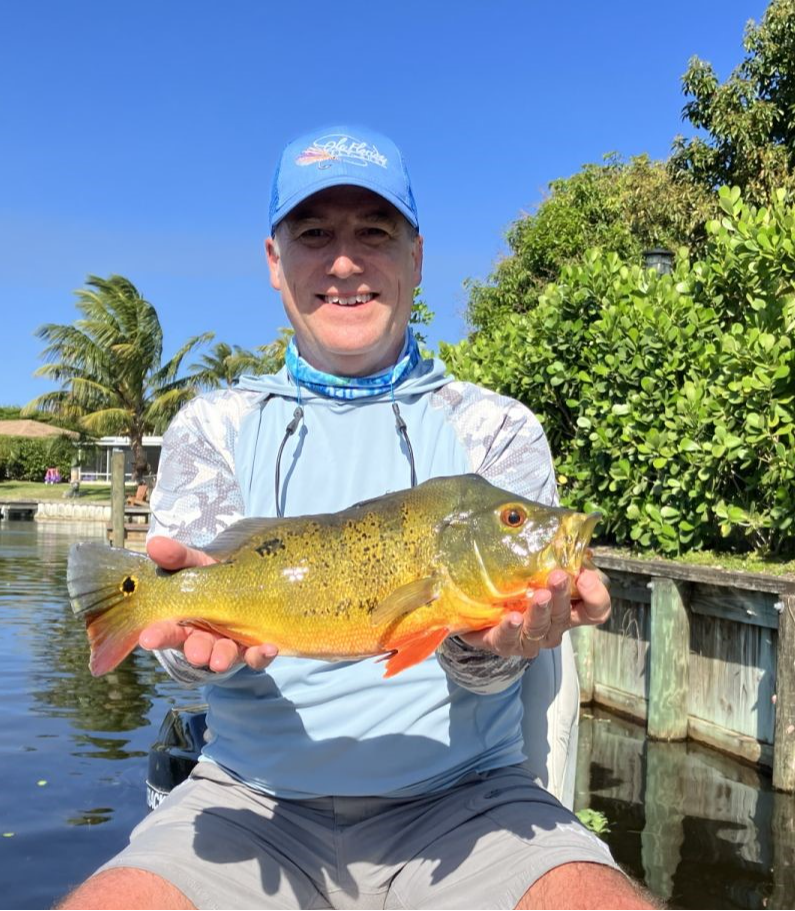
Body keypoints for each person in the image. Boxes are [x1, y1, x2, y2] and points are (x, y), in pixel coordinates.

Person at [58, 127, 655, 910]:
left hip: (466, 800)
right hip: (248, 799)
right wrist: (194, 647)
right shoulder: (212, 425)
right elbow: (183, 654)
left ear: (414, 255)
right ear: (275, 261)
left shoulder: (495, 430)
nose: (344, 261)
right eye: (314, 234)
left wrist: (494, 641)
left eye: (374, 232)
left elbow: (494, 662)